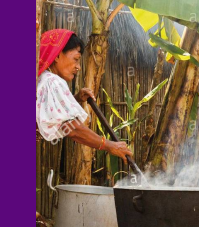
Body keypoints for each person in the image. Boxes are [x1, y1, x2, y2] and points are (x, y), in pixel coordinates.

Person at [36, 29, 132, 162]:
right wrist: (109, 145)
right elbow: (72, 128)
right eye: (76, 59)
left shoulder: (42, 78)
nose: (78, 67)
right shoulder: (53, 81)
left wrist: (76, 99)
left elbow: (49, 113)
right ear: (57, 55)